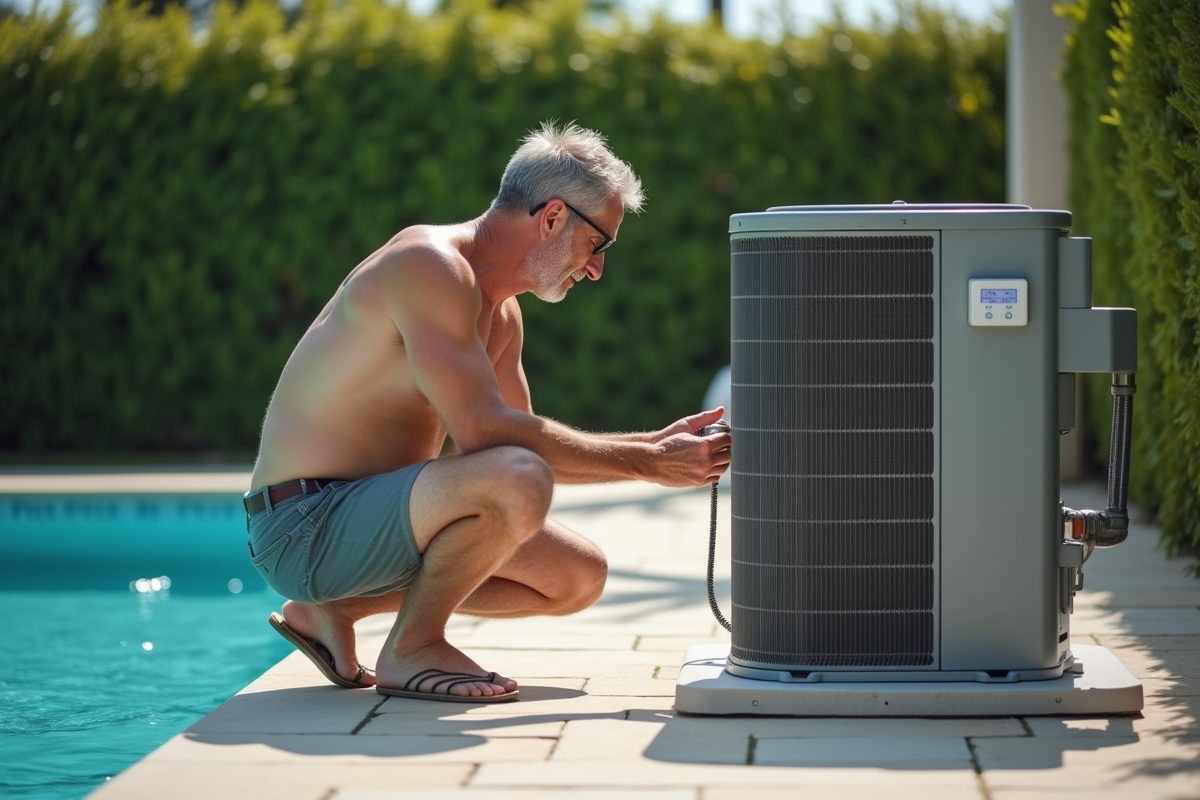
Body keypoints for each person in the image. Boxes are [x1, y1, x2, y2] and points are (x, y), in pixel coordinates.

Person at [244, 121, 732, 703]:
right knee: (516, 480)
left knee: (579, 576)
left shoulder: (501, 318)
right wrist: (650, 464)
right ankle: (412, 647)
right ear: (552, 217)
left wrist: (654, 448)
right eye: (599, 244)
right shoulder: (428, 265)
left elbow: (519, 448)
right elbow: (489, 439)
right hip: (303, 523)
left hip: (374, 521)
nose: (598, 268)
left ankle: (332, 612)